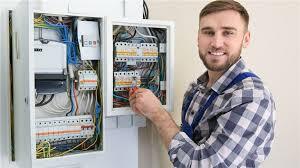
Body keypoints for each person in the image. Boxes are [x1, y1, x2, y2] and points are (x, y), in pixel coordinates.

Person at [129, 0, 275, 167]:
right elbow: (189, 145)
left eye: (228, 33)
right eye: (208, 32)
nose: (216, 43)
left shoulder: (252, 96)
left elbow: (202, 164)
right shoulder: (196, 89)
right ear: (198, 37)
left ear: (246, 39)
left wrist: (158, 114)